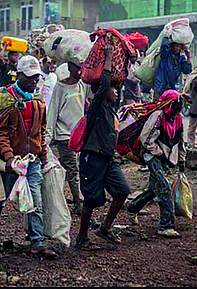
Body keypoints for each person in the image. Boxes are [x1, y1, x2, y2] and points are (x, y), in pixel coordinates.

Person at [0, 55, 56, 259]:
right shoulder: (6, 98)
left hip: (33, 160)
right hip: (11, 162)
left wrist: (43, 153)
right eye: (29, 77)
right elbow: (0, 132)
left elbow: (42, 129)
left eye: (36, 77)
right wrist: (9, 157)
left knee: (36, 201)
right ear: (18, 75)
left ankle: (36, 241)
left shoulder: (38, 100)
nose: (33, 81)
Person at [75, 54, 131, 249]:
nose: (116, 92)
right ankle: (82, 238)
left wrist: (123, 61)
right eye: (113, 89)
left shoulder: (110, 108)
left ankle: (105, 228)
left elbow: (117, 83)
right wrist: (108, 56)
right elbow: (105, 81)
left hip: (107, 158)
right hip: (93, 157)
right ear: (102, 90)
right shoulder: (96, 107)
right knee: (91, 199)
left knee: (122, 190)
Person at [126, 90, 186, 238]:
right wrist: (158, 152)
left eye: (179, 108)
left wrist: (182, 159)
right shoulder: (157, 116)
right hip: (153, 156)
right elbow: (145, 138)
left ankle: (132, 207)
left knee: (154, 189)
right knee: (164, 188)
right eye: (175, 107)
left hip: (166, 158)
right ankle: (166, 225)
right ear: (168, 105)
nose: (176, 111)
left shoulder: (178, 119)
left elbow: (181, 141)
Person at [46, 61, 93, 214]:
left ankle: (75, 196)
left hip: (79, 135)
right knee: (73, 169)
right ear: (69, 67)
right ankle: (78, 201)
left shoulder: (82, 85)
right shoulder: (60, 87)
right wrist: (47, 137)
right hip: (65, 135)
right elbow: (53, 111)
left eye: (81, 67)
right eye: (76, 67)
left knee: (76, 168)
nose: (79, 70)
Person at [153, 36, 192, 102]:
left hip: (172, 88)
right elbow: (164, 46)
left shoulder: (181, 58)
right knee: (158, 107)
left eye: (179, 47)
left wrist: (188, 57)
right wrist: (166, 36)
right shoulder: (166, 55)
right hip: (161, 86)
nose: (177, 48)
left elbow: (187, 70)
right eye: (176, 46)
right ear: (172, 46)